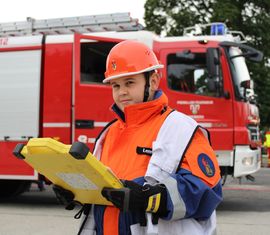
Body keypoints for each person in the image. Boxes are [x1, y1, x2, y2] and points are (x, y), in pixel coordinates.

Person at [56, 40, 222, 235]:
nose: (122, 92)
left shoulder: (180, 129)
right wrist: (77, 192)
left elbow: (207, 191)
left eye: (129, 83)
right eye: (116, 85)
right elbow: (101, 189)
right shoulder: (108, 133)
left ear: (152, 81)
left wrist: (152, 198)